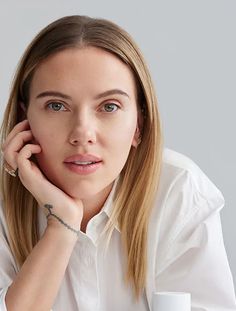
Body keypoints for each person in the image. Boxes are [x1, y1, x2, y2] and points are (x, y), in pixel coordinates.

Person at [0, 15, 235, 311]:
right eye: (57, 106)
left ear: (139, 125)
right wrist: (61, 226)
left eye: (109, 106)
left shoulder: (180, 192)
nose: (82, 134)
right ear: (25, 119)